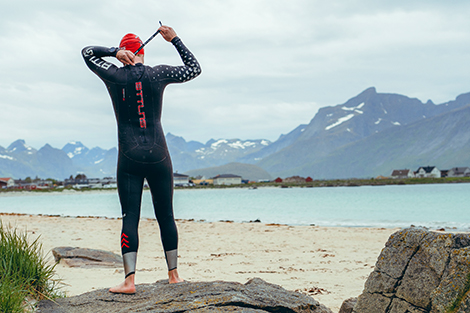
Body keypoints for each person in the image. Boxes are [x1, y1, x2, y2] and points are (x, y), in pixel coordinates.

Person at [81, 25, 201, 294]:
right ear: (143, 53)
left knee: (130, 216)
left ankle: (129, 281)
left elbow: (87, 53)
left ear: (124, 53)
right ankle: (174, 275)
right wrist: (175, 40)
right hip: (159, 154)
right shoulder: (158, 73)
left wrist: (113, 52)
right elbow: (194, 68)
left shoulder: (112, 74)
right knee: (166, 215)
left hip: (129, 157)